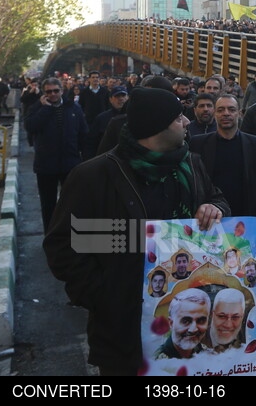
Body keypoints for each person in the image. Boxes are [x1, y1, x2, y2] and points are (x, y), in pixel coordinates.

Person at [44, 87, 229, 375]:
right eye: (179, 117)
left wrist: (214, 208)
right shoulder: (94, 176)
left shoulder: (191, 164)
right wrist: (108, 298)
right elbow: (63, 248)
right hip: (124, 336)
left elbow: (217, 199)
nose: (188, 122)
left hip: (189, 332)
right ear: (157, 126)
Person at [189, 95, 256, 228]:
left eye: (231, 109)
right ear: (215, 113)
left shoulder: (255, 144)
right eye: (221, 110)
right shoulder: (198, 143)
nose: (226, 113)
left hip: (245, 217)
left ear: (239, 113)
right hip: (209, 219)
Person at [25, 77, 88, 229]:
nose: (53, 94)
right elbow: (31, 127)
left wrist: (81, 157)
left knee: (72, 204)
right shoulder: (37, 108)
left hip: (70, 164)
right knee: (48, 205)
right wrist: (46, 108)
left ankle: (69, 235)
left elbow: (83, 133)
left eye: (56, 91)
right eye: (49, 92)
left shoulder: (73, 108)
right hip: (46, 166)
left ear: (62, 90)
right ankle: (51, 236)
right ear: (44, 92)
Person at [154, 289, 211, 360]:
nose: (193, 330)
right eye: (185, 321)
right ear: (171, 323)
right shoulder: (157, 363)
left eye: (201, 320)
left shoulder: (207, 355)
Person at [209, 288, 246, 352]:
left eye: (235, 317)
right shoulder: (196, 339)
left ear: (242, 317)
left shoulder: (248, 340)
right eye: (222, 316)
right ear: (212, 315)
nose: (228, 325)